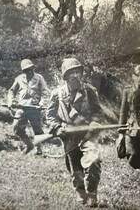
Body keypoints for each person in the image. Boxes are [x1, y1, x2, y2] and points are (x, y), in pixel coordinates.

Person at [46, 58, 104, 207]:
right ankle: (80, 191)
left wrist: (94, 122)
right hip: (69, 135)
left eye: (78, 72)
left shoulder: (89, 91)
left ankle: (92, 194)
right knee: (75, 167)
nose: (76, 75)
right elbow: (50, 115)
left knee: (93, 161)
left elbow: (98, 111)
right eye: (72, 72)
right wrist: (57, 128)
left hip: (87, 134)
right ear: (65, 76)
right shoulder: (57, 94)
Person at [7, 59, 49, 155]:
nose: (29, 71)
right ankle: (29, 145)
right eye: (26, 70)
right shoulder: (19, 79)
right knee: (16, 129)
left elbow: (45, 92)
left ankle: (39, 150)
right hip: (22, 108)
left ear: (33, 68)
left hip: (34, 108)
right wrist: (10, 101)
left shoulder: (39, 78)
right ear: (23, 71)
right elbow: (11, 91)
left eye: (31, 69)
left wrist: (42, 102)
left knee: (37, 130)